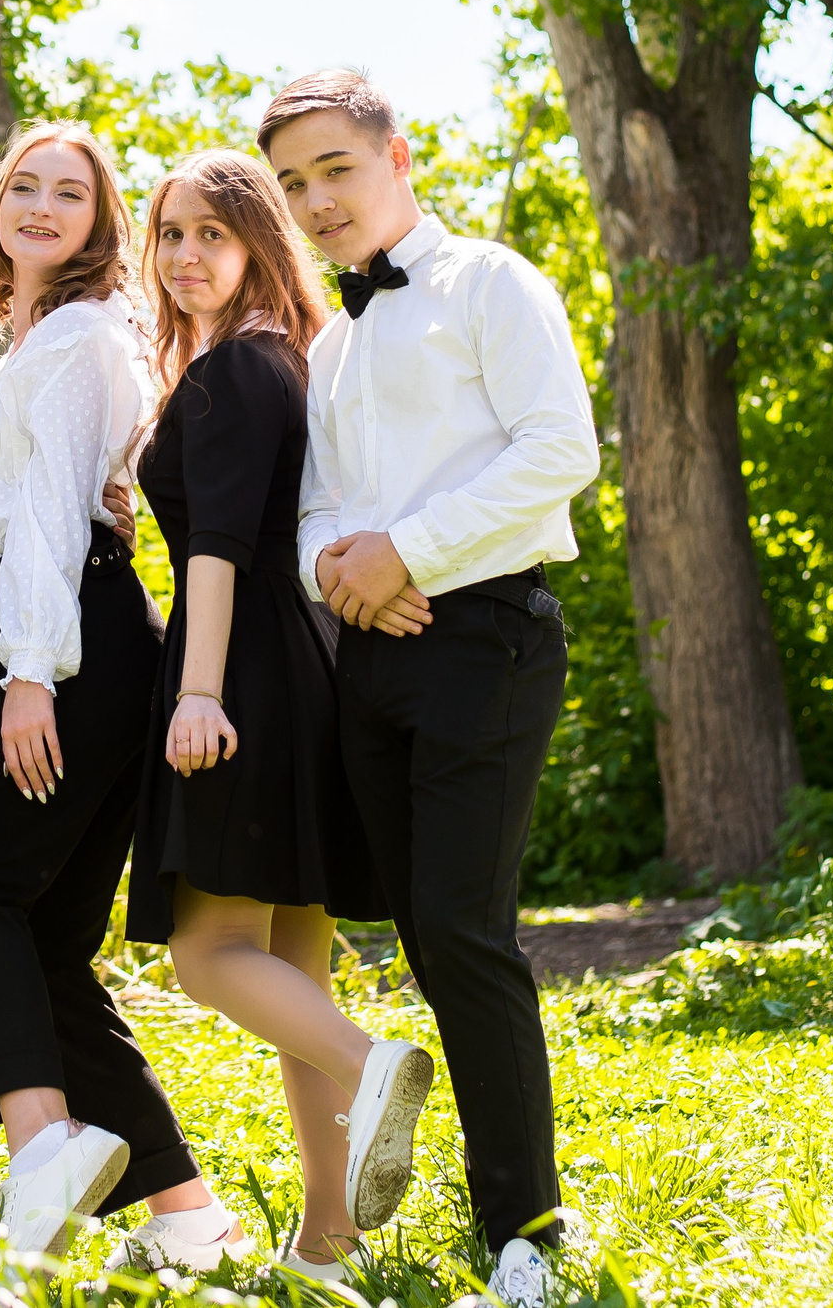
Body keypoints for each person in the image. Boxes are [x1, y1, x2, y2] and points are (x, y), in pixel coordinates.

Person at [0, 124, 246, 1268]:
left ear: (99, 224)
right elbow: (9, 511)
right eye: (23, 188)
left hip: (76, 641)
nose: (41, 206)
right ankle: (185, 1215)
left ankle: (47, 1153)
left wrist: (28, 672)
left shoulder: (84, 335)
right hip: (72, 627)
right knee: (38, 945)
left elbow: (56, 515)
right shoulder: (36, 338)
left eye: (70, 194)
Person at [263, 70, 600, 1308]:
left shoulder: (490, 282)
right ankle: (497, 1206)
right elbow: (317, 511)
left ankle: (533, 1237)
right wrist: (340, 568)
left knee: (463, 927)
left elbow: (561, 449)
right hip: (373, 653)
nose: (315, 200)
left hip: (487, 636)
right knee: (422, 938)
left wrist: (412, 550)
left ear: (397, 156)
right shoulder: (333, 337)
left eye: (333, 169)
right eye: (294, 184)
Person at [123, 150, 417, 1284]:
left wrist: (196, 691)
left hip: (238, 667)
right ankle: (327, 1239)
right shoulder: (280, 361)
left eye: (212, 233)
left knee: (209, 952)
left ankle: (375, 1059)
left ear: (255, 242)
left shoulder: (231, 373)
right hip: (302, 671)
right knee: (294, 960)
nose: (187, 256)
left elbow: (215, 547)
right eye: (170, 235)